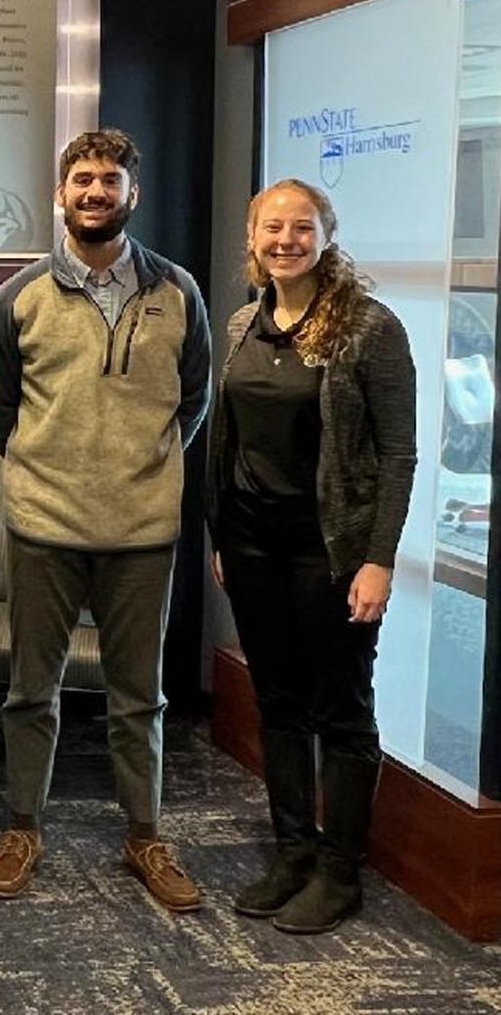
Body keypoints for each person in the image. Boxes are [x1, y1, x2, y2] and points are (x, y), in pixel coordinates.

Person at [0, 128, 211, 912]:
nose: (94, 192)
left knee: (138, 696)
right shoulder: (19, 297)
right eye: (82, 179)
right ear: (59, 192)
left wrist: (140, 463)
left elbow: (194, 397)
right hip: (44, 525)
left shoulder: (177, 291)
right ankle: (21, 827)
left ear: (130, 194)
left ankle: (145, 834)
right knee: (29, 691)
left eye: (109, 181)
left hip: (144, 531)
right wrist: (51, 466)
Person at [207, 178, 415, 934]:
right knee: (280, 704)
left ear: (327, 235)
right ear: (253, 237)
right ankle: (293, 850)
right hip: (253, 545)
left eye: (302, 227)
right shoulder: (242, 324)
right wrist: (222, 534)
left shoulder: (368, 328)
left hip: (332, 554)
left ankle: (339, 869)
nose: (286, 239)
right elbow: (227, 437)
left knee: (343, 710)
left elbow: (399, 454)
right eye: (272, 226)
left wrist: (379, 560)